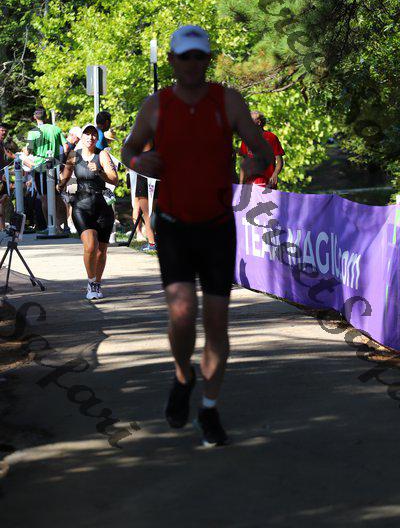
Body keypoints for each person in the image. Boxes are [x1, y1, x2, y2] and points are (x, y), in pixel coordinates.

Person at [121, 25, 274, 446]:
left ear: (208, 59)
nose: (192, 63)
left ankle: (209, 408)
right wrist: (139, 162)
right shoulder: (156, 105)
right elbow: (129, 149)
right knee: (182, 313)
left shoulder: (228, 100)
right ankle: (183, 376)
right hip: (173, 225)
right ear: (172, 60)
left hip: (217, 225)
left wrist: (254, 163)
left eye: (199, 56)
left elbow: (262, 149)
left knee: (217, 322)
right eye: (184, 56)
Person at [57, 124, 118, 300]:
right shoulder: (74, 155)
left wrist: (99, 171)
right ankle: (91, 282)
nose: (90, 137)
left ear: (97, 138)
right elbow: (66, 175)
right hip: (81, 205)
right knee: (90, 246)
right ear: (81, 137)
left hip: (102, 206)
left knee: (102, 250)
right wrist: (59, 186)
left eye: (93, 134)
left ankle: (97, 283)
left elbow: (115, 180)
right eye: (87, 134)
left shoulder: (102, 155)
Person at [27, 108, 67, 231]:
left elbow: (29, 151)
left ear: (35, 117)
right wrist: (61, 162)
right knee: (57, 196)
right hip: (55, 166)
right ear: (46, 117)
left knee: (44, 197)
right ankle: (64, 226)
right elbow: (65, 147)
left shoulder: (33, 132)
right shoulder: (56, 129)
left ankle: (51, 226)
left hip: (40, 168)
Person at [239, 111, 285, 188]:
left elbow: (279, 161)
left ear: (258, 122)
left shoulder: (271, 137)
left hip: (267, 182)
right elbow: (243, 162)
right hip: (249, 182)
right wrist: (241, 182)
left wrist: (275, 174)